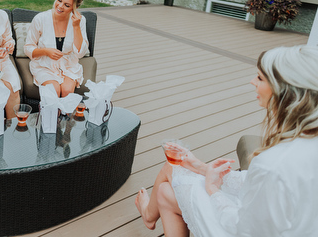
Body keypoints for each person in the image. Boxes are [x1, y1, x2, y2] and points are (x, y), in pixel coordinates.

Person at [135, 45, 318, 237]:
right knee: (166, 191)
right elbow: (259, 188)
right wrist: (200, 167)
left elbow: (243, 229)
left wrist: (213, 189)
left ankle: (148, 215)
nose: (252, 81)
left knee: (172, 168)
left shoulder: (272, 163)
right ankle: (149, 214)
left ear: (285, 91)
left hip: (238, 228)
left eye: (260, 78)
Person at [24, 0, 88, 97]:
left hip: (68, 65)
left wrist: (76, 27)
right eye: (59, 0)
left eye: (67, 5)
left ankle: (65, 115)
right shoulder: (41, 19)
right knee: (53, 91)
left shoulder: (80, 21)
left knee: (67, 91)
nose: (60, 6)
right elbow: (28, 48)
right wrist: (46, 51)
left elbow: (80, 53)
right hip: (45, 65)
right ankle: (51, 114)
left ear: (75, 8)